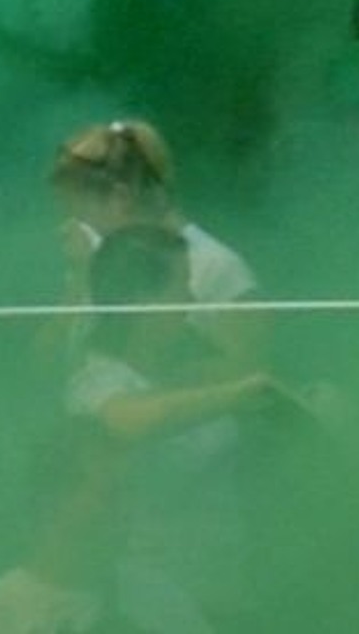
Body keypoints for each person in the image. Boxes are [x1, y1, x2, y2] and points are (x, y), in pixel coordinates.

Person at [64, 222, 320, 633]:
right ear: (140, 299)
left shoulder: (187, 370)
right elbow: (130, 421)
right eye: (179, 287)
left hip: (226, 592)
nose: (190, 300)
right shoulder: (96, 381)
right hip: (149, 606)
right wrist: (234, 395)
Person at [49, 119, 261, 376]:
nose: (68, 227)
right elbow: (49, 367)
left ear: (120, 199)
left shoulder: (219, 270)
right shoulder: (99, 262)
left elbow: (247, 376)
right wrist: (79, 279)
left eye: (79, 212)